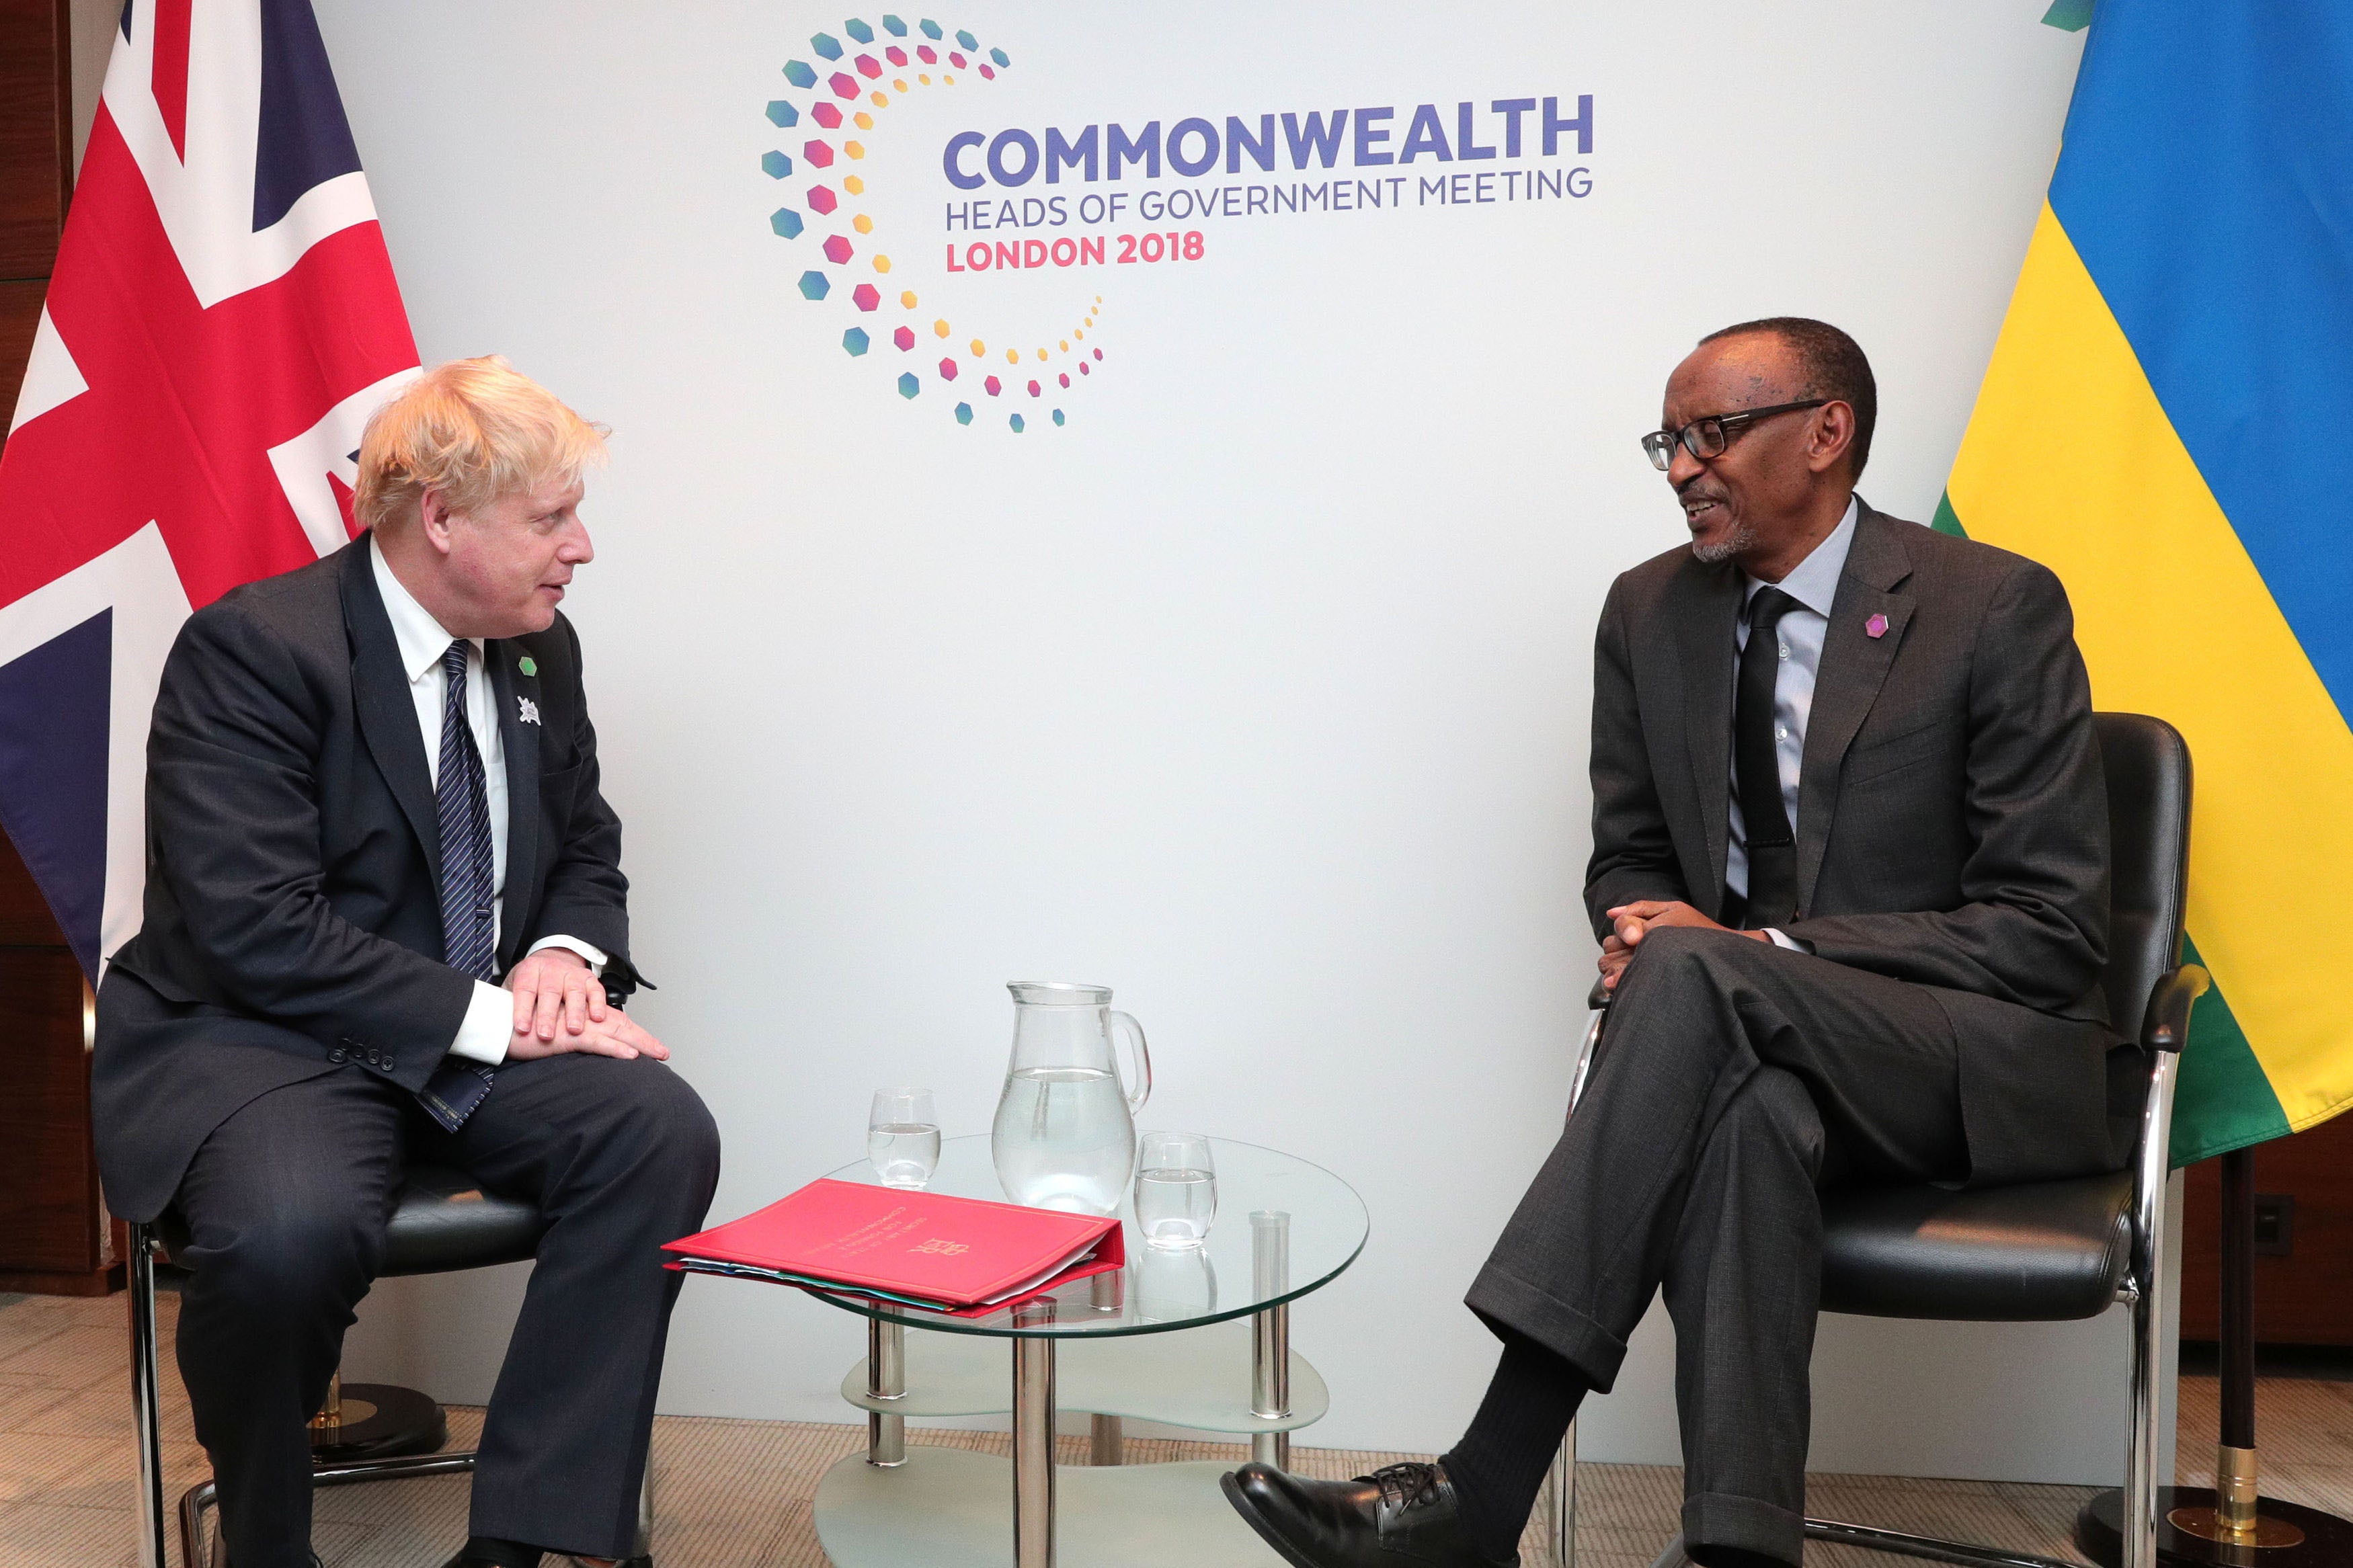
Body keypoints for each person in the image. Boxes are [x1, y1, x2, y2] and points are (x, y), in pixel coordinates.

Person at [1222, 319, 2126, 1568]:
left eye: (1713, 433)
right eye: (1670, 439)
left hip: (1970, 1060)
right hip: (1756, 1049)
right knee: (1745, 1107)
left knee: (1703, 972)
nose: (1683, 466)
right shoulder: (1650, 610)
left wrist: (1749, 949)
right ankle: (1739, 1552)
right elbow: (1632, 850)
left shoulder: (1990, 607)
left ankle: (1482, 1491)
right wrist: (1641, 926)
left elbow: (2049, 930)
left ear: (1827, 432)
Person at [93, 357, 721, 1568]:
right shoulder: (254, 651)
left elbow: (587, 840)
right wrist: (500, 1018)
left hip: (467, 1025)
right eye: (549, 517)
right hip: (269, 1041)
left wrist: (557, 953)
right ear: (440, 518)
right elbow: (256, 927)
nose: (579, 547)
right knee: (285, 1232)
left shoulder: (541, 648)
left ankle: (518, 1543)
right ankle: (267, 1545)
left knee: (658, 1130)